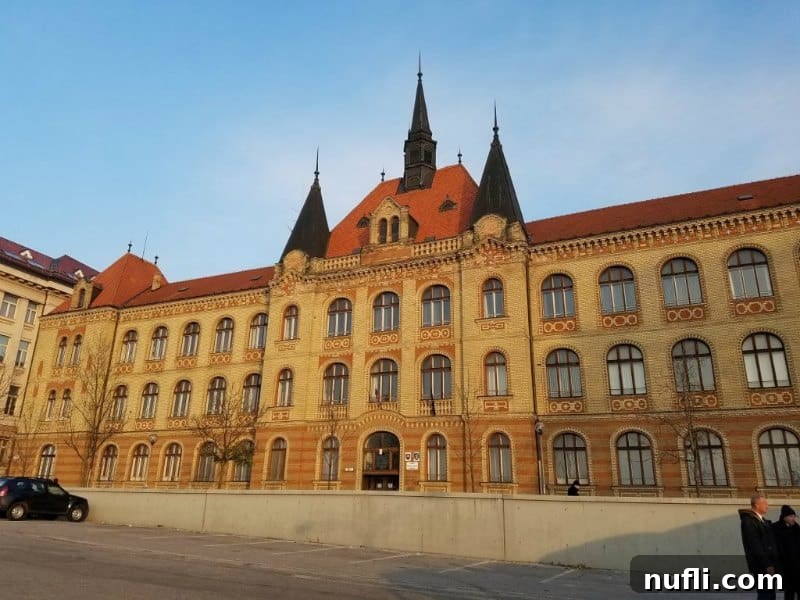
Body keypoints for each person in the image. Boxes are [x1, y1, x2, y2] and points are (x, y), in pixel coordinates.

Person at [740, 494, 780, 600]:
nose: (767, 506)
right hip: (761, 566)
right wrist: (767, 564)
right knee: (765, 594)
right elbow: (755, 545)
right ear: (757, 505)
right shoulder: (749, 521)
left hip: (767, 564)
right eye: (765, 504)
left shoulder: (761, 520)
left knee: (769, 593)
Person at [772, 505, 800, 600]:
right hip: (786, 567)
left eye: (794, 516)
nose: (794, 518)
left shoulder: (797, 528)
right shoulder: (776, 528)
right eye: (791, 516)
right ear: (785, 517)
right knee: (789, 592)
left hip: (797, 566)